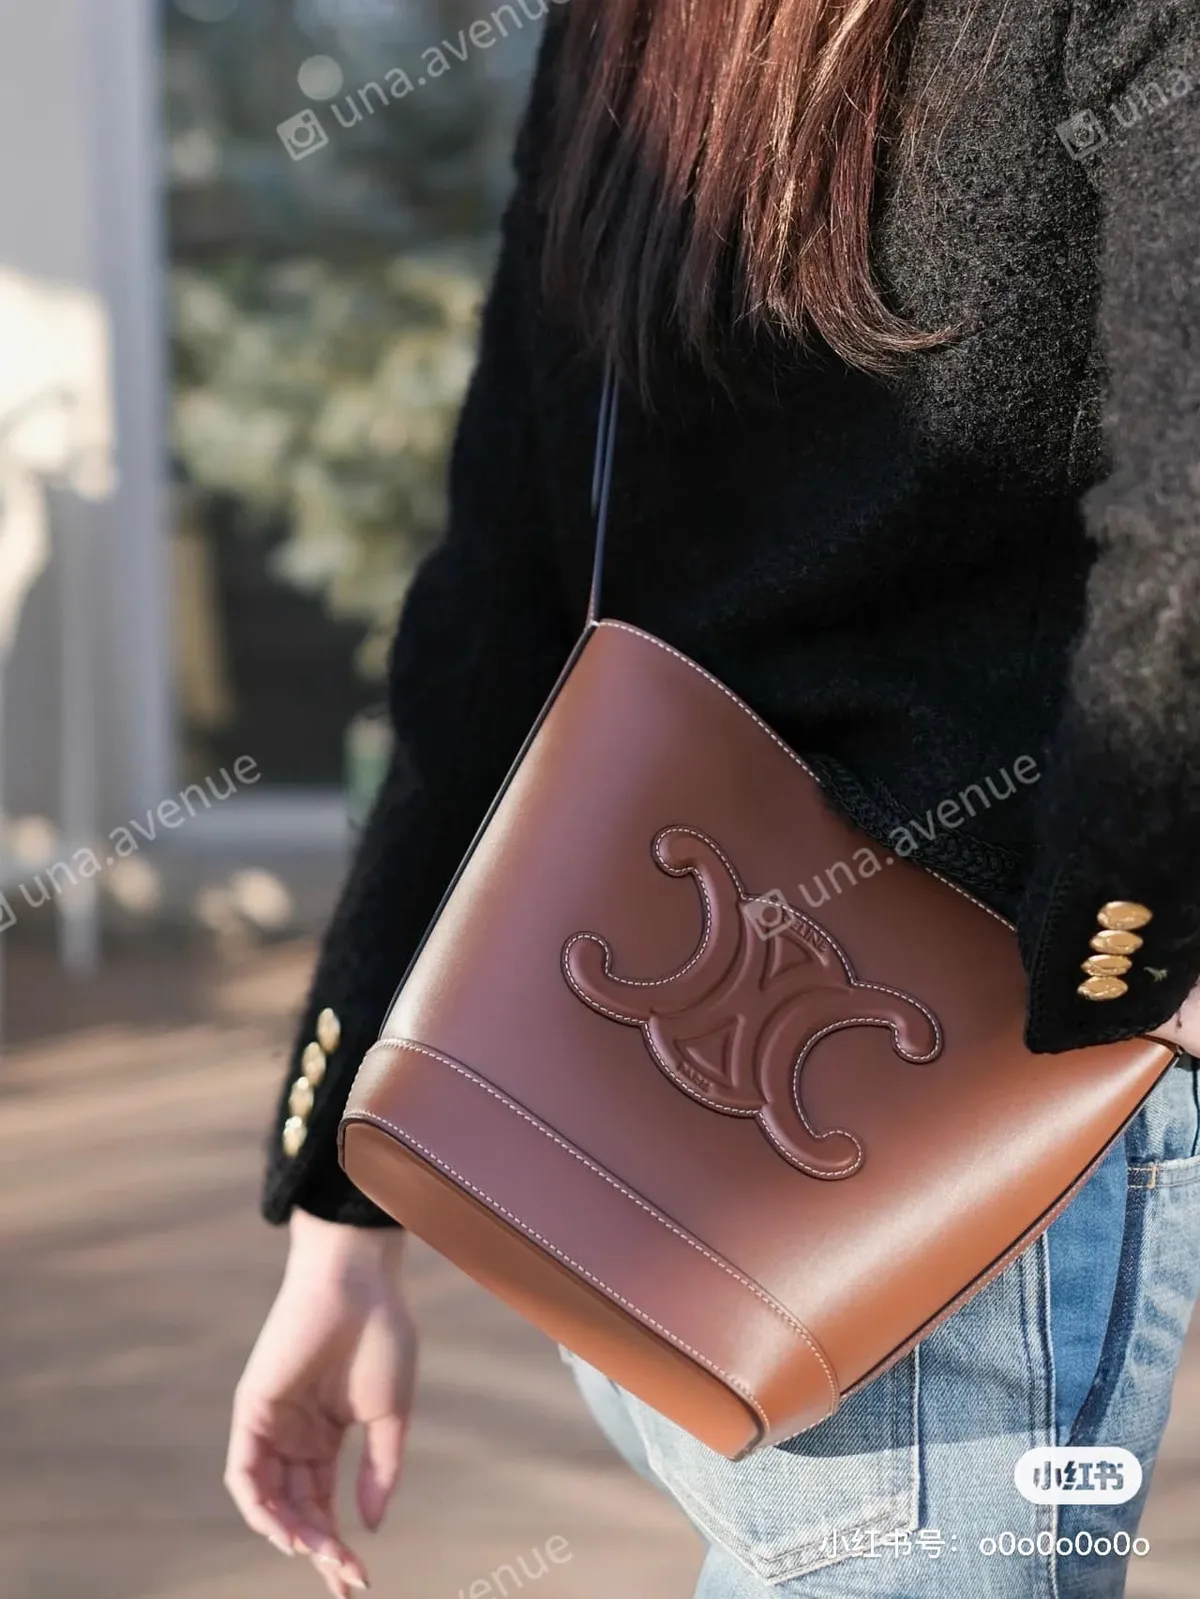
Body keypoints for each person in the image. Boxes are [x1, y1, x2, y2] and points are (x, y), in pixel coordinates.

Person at [225, 1, 1200, 1594]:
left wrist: (340, 1219)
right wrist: (1121, 947)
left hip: (631, 1156)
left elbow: (500, 588)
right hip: (944, 1183)